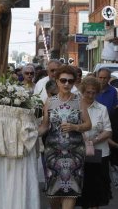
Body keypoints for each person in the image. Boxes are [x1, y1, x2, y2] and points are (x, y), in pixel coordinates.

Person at [38, 65, 91, 209]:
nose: (67, 84)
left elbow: (88, 124)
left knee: (71, 191)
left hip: (74, 152)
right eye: (63, 80)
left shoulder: (79, 101)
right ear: (57, 81)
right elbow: (44, 126)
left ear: (74, 82)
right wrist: (32, 134)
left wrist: (76, 127)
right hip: (53, 152)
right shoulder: (49, 102)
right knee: (53, 193)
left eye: (70, 81)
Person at [76, 77, 112, 208]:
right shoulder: (76, 108)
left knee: (96, 190)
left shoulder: (102, 109)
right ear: (82, 91)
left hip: (99, 154)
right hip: (79, 153)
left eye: (94, 92)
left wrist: (93, 141)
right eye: (88, 92)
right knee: (82, 189)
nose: (91, 95)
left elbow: (108, 131)